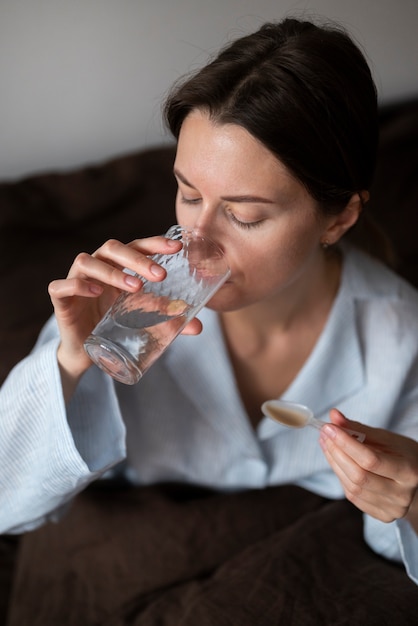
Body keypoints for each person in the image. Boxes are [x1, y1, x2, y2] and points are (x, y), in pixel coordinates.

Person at [1, 16, 417, 588]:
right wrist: (69, 360)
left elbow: (397, 532)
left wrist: (411, 502)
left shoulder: (402, 340)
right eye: (188, 193)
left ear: (340, 217)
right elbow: (7, 503)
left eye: (246, 215)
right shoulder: (129, 305)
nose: (198, 239)